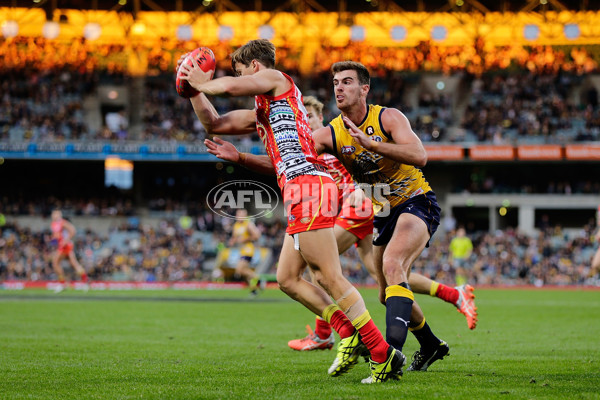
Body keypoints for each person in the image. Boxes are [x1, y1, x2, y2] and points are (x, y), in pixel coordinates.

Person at [207, 61, 453, 378]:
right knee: (382, 291)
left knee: (387, 266)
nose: (339, 87)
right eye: (335, 82)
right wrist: (241, 157)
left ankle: (387, 356)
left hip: (414, 200)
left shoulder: (387, 117)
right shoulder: (331, 133)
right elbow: (286, 160)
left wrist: (372, 144)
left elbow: (420, 155)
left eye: (347, 81)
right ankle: (430, 343)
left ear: (365, 88)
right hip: (379, 210)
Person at [179, 40, 401, 383]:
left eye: (241, 70)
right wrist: (192, 94)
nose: (241, 79)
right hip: (301, 187)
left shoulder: (277, 80)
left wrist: (202, 81)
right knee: (287, 277)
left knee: (328, 276)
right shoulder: (266, 111)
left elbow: (237, 86)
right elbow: (215, 123)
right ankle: (347, 331)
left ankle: (381, 353)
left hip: (308, 186)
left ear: (255, 67)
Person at [49, 209, 88, 292]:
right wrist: (53, 241)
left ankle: (62, 284)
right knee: (74, 264)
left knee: (55, 263)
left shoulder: (62, 222)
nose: (53, 215)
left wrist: (65, 241)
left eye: (55, 214)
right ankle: (85, 281)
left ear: (59, 215)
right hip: (63, 246)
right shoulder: (53, 224)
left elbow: (73, 230)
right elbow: (56, 236)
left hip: (65, 246)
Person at [226, 209, 262, 296]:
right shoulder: (236, 225)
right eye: (238, 215)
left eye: (241, 215)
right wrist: (232, 241)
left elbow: (257, 236)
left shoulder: (248, 224)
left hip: (248, 249)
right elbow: (235, 237)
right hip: (242, 250)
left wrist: (245, 239)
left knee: (240, 270)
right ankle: (253, 290)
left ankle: (258, 278)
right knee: (243, 272)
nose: (239, 217)